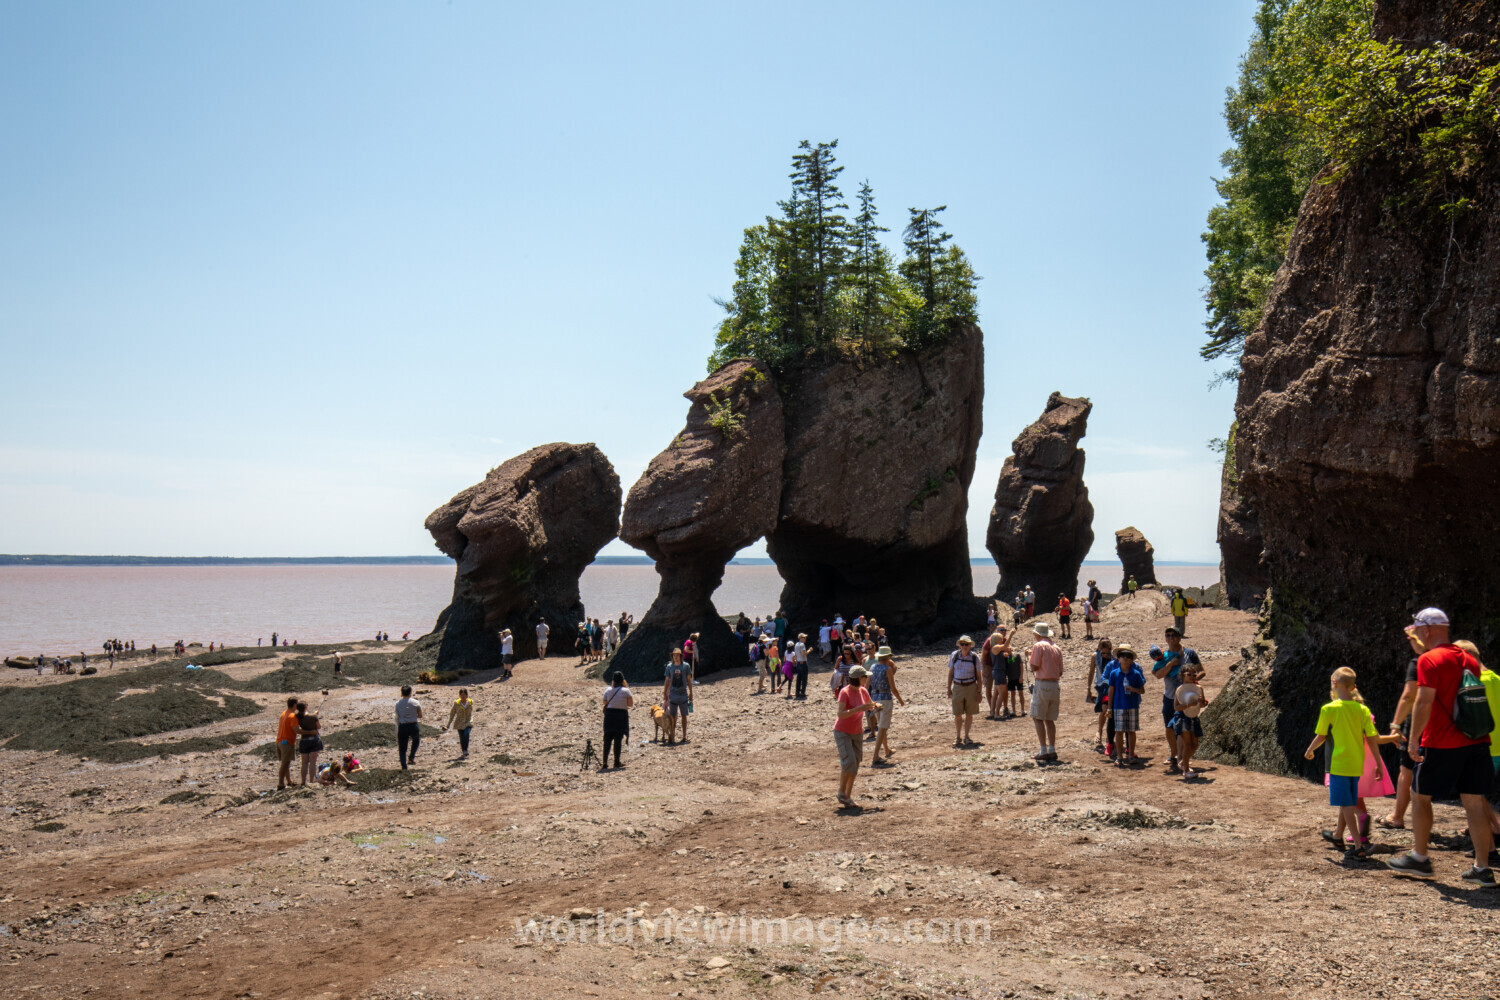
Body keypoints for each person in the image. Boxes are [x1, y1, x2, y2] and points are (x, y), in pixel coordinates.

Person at [1386, 608, 1495, 883]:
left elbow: (1423, 702)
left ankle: (1420, 857)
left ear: (1426, 631)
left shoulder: (1429, 660)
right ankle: (1482, 869)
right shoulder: (1469, 659)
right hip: (1476, 739)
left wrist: (1413, 741)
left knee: (1420, 795)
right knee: (1474, 803)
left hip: (1442, 741)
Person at [1305, 667, 1384, 862]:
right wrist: (1378, 763)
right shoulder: (1363, 709)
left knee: (1347, 803)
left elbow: (1322, 735)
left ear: (1333, 683)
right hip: (1357, 763)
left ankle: (1358, 847)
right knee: (1347, 800)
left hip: (1338, 764)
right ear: (1353, 687)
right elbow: (1372, 738)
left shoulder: (1329, 709)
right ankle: (1338, 836)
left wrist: (1310, 750)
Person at [1154, 629, 1202, 775]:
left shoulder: (1190, 653)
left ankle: (1182, 759)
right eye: (1168, 635)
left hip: (1185, 698)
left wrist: (1191, 684)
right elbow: (1158, 674)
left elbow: (1201, 670)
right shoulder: (1163, 656)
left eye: (1174, 635)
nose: (1171, 638)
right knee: (1169, 728)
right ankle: (1174, 755)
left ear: (1179, 637)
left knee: (1182, 730)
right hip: (1169, 696)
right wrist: (1170, 664)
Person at [834, 664, 877, 808]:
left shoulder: (863, 691)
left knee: (856, 762)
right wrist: (859, 708)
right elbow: (841, 714)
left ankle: (847, 795)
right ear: (859, 678)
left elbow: (870, 707)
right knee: (849, 762)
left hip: (857, 731)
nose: (866, 678)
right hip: (842, 731)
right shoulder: (844, 692)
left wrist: (876, 708)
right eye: (865, 676)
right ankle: (841, 793)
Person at [1104, 644, 1145, 765]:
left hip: (1132, 705)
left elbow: (1142, 690)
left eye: (1128, 656)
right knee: (1119, 731)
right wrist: (1110, 708)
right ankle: (1119, 756)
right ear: (1118, 658)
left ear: (1131, 660)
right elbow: (1111, 691)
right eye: (1122, 656)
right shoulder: (1114, 673)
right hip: (1118, 705)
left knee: (1131, 731)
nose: (1125, 658)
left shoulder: (1136, 673)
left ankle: (1131, 754)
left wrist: (1133, 689)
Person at [1029, 622, 1064, 761]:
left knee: (1037, 717)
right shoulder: (1057, 648)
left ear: (1037, 634)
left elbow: (1034, 666)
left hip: (1043, 684)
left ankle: (1043, 750)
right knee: (1049, 719)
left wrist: (1029, 657)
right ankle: (1052, 749)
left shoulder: (1038, 646)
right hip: (1055, 685)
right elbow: (1060, 671)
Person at [1171, 665, 1210, 778]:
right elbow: (1176, 707)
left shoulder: (1199, 688)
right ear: (1183, 675)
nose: (1192, 677)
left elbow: (1201, 705)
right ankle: (1186, 770)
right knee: (1188, 744)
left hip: (1193, 717)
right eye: (1189, 674)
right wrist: (1189, 705)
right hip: (1182, 718)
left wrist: (1201, 703)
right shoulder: (1179, 690)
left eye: (1194, 674)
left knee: (1195, 745)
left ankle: (1184, 762)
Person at [868, 646, 905, 763]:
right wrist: (900, 700)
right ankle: (875, 755)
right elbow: (893, 688)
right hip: (885, 698)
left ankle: (887, 750)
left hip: (875, 698)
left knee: (881, 725)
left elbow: (866, 686)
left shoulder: (872, 667)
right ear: (888, 657)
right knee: (883, 727)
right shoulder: (887, 669)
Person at [947, 636, 982, 747]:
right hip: (957, 687)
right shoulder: (954, 655)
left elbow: (979, 677)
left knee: (969, 713)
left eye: (966, 644)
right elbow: (950, 673)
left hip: (971, 686)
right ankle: (958, 737)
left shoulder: (975, 657)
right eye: (962, 644)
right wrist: (948, 688)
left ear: (970, 645)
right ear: (959, 645)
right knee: (957, 714)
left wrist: (979, 692)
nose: (964, 646)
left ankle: (966, 736)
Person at [601, 671, 632, 770]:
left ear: (613, 680)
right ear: (623, 680)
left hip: (609, 715)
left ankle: (605, 762)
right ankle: (616, 761)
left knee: (607, 739)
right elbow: (630, 704)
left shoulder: (608, 690)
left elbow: (604, 702)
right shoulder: (626, 691)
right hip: (620, 716)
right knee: (618, 739)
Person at [1088, 639, 1114, 752]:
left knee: (1109, 709)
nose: (1106, 655)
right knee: (1104, 709)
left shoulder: (1114, 657)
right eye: (1103, 653)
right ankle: (1100, 730)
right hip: (1101, 685)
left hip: (1111, 685)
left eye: (1108, 653)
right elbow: (1091, 671)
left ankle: (1108, 733)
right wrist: (1088, 689)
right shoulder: (1095, 656)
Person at [663, 648, 693, 745]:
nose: (675, 657)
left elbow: (689, 680)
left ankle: (684, 736)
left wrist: (691, 692)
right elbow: (667, 680)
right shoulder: (669, 667)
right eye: (674, 655)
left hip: (683, 693)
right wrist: (665, 692)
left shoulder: (686, 666)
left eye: (677, 655)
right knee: (673, 716)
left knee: (684, 715)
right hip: (673, 694)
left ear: (680, 656)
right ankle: (672, 735)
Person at [395, 685, 423, 770]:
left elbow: (396, 715)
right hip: (413, 725)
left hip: (402, 726)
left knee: (402, 748)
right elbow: (420, 715)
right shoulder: (415, 702)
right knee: (416, 741)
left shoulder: (398, 704)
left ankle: (404, 767)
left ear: (402, 693)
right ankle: (411, 757)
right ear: (410, 692)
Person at [275, 696, 299, 791]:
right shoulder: (292, 716)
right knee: (285, 764)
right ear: (294, 705)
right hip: (287, 742)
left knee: (286, 763)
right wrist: (309, 732)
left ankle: (289, 781)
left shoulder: (284, 713)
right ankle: (281, 784)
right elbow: (296, 729)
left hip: (279, 741)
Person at [296, 700, 323, 786]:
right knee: (312, 762)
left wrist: (314, 714)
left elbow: (306, 716)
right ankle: (311, 781)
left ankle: (303, 781)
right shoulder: (313, 716)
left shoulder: (298, 717)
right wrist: (315, 715)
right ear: (306, 707)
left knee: (304, 763)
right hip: (314, 740)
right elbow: (319, 726)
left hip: (304, 741)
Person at [444, 688, 475, 758]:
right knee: (461, 737)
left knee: (466, 734)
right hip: (459, 722)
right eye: (461, 694)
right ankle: (464, 751)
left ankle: (465, 750)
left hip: (468, 721)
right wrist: (448, 725)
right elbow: (452, 714)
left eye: (464, 694)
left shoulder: (470, 702)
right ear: (459, 695)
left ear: (467, 695)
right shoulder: (456, 703)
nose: (463, 696)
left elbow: (470, 712)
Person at [792, 633, 810, 700]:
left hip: (798, 663)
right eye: (804, 637)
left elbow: (795, 654)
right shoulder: (802, 645)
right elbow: (804, 654)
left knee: (799, 678)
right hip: (803, 662)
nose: (805, 639)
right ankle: (802, 692)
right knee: (804, 678)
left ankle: (797, 692)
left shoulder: (796, 644)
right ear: (800, 638)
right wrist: (809, 651)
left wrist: (796, 660)